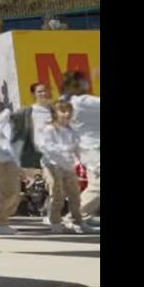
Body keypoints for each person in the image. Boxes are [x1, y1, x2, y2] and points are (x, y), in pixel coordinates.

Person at [34, 99, 87, 233]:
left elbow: (78, 149)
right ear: (55, 113)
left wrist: (86, 163)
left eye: (69, 111)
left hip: (67, 165)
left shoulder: (72, 131)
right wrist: (64, 149)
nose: (67, 114)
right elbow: (45, 147)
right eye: (63, 111)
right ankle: (55, 221)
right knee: (57, 193)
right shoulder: (49, 130)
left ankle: (77, 221)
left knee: (75, 194)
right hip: (52, 165)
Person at [60, 71, 100, 225]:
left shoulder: (66, 101)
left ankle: (82, 215)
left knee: (95, 183)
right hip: (93, 149)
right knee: (98, 184)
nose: (88, 84)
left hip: (85, 148)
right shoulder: (82, 101)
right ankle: (74, 216)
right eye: (85, 81)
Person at [0, 94, 24, 235]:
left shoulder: (12, 126)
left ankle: (1, 220)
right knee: (8, 194)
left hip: (12, 163)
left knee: (15, 195)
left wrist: (19, 166)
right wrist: (4, 109)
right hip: (1, 162)